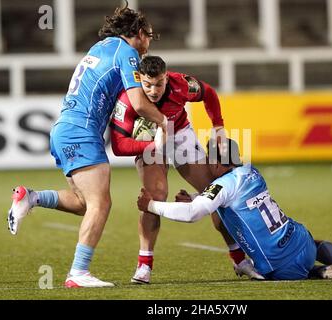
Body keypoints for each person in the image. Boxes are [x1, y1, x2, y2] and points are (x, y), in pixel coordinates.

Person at [6, 2, 168, 288]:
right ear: (139, 32)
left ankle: (30, 197)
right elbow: (140, 103)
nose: (148, 44)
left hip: (65, 129)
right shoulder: (126, 52)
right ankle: (78, 273)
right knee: (100, 203)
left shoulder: (100, 47)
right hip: (81, 132)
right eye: (150, 36)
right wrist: (164, 122)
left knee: (84, 204)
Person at [137, 139, 332, 280]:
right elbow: (233, 199)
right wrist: (196, 196)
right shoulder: (250, 171)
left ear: (216, 162)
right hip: (300, 241)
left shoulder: (222, 186)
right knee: (315, 244)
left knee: (289, 271)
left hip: (278, 266)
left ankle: (322, 272)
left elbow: (194, 214)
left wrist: (151, 205)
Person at [110, 55, 262, 284]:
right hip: (149, 141)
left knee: (216, 191)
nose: (153, 91)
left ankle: (239, 259)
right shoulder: (128, 99)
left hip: (180, 134)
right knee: (155, 196)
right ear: (138, 78)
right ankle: (144, 265)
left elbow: (208, 92)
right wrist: (153, 146)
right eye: (147, 84)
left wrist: (218, 125)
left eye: (159, 83)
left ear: (166, 77)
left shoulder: (180, 84)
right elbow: (119, 146)